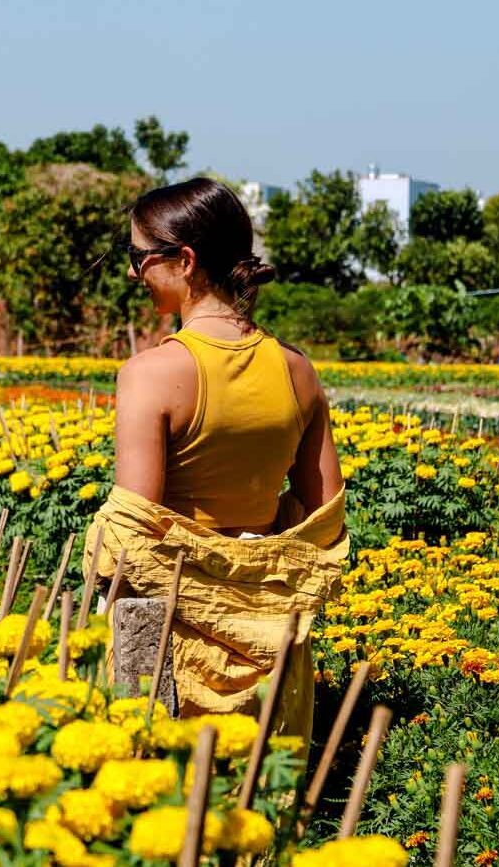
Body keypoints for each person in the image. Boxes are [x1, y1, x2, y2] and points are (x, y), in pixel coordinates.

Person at [84, 178, 348, 740]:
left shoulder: (150, 375)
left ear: (184, 260)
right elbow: (323, 513)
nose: (133, 274)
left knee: (167, 804)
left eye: (139, 258)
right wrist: (254, 561)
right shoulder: (297, 371)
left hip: (173, 639)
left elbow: (134, 531)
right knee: (264, 802)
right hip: (272, 640)